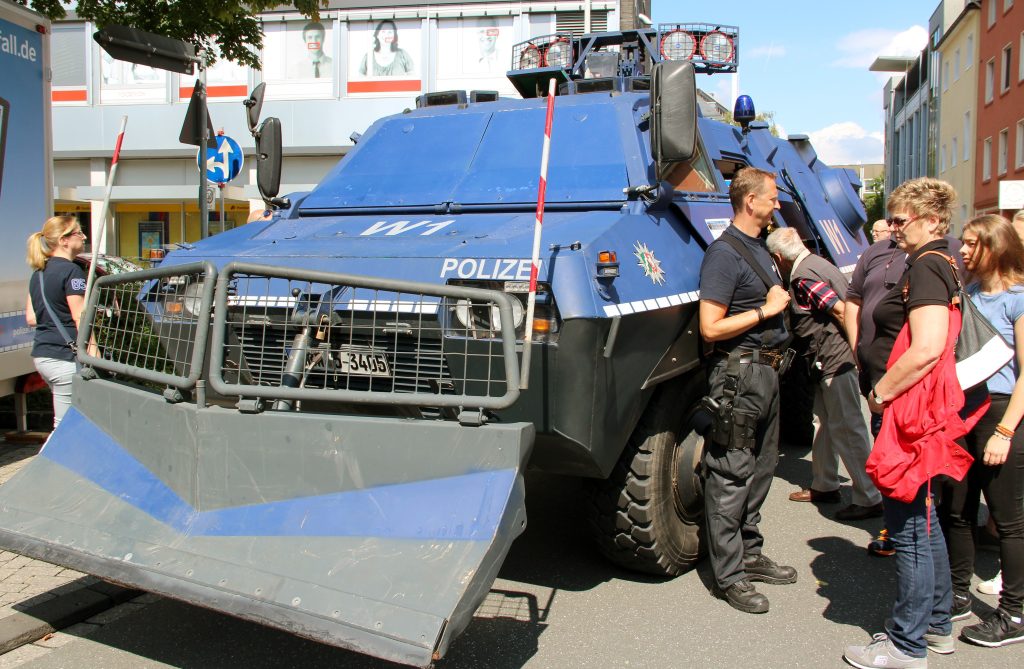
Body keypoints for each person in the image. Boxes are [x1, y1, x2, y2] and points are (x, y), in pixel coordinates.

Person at [844, 178, 973, 668]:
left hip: (907, 412)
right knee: (924, 520)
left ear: (933, 220)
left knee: (910, 529)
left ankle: (906, 644)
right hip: (914, 409)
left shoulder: (927, 269)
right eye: (892, 219)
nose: (893, 228)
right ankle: (937, 626)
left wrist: (881, 392)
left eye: (901, 220)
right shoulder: (937, 263)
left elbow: (926, 347)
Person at [698, 167, 797, 615]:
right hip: (740, 376)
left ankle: (750, 554)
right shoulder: (723, 254)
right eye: (772, 198)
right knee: (731, 476)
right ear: (749, 201)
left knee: (760, 470)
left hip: (769, 374)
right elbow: (710, 327)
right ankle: (730, 576)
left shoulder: (758, 247)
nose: (777, 204)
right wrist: (764, 311)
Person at [940, 214, 1024, 648]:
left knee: (1008, 520)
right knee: (957, 507)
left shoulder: (1018, 298)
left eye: (974, 244)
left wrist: (1005, 432)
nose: (965, 251)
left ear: (998, 246)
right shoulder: (969, 293)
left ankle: (1014, 611)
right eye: (964, 243)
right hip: (963, 409)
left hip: (1001, 413)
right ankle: (956, 593)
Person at [766, 228, 883, 521]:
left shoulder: (803, 277)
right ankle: (825, 484)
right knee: (826, 423)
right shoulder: (817, 263)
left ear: (779, 257)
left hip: (834, 360)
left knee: (847, 427)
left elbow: (842, 311)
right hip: (826, 361)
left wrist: (857, 355)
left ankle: (869, 497)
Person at [24, 216, 89, 428]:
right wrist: (94, 353)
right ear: (64, 240)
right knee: (64, 426)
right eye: (79, 232)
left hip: (43, 355)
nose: (84, 236)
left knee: (70, 419)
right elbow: (80, 317)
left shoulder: (38, 274)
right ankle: (47, 460)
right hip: (64, 357)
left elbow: (31, 318)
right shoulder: (72, 271)